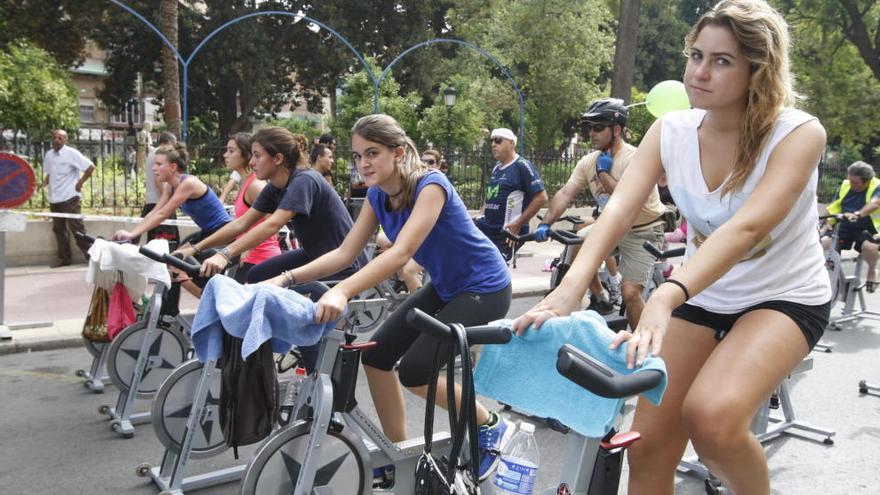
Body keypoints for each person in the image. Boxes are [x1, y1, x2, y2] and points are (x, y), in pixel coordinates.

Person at [514, 2, 831, 494]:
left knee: (713, 422)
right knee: (647, 445)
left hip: (783, 295)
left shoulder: (798, 133)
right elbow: (618, 211)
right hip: (705, 293)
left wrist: (664, 297)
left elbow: (746, 229)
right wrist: (567, 292)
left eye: (722, 61)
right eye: (696, 55)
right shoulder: (672, 130)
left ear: (757, 71)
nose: (700, 72)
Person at [262, 114, 514, 480]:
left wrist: (343, 290)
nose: (362, 163)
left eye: (372, 153)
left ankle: (490, 425)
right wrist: (284, 278)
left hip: (484, 287)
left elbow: (401, 252)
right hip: (444, 286)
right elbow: (346, 252)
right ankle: (402, 455)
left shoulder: (431, 185)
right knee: (376, 358)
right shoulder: (377, 196)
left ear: (398, 153)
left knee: (415, 371)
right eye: (357, 156)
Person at [175, 126, 360, 372]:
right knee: (256, 275)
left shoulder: (304, 180)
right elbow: (241, 223)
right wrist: (194, 248)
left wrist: (224, 254)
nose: (251, 162)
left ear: (278, 158)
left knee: (296, 292)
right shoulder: (275, 187)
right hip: (315, 254)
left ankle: (316, 370)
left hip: (340, 263)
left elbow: (272, 224)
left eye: (257, 155)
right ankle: (272, 347)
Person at [536, 99, 666, 327]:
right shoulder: (589, 161)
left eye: (598, 127)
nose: (591, 134)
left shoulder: (635, 158)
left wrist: (604, 175)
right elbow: (566, 193)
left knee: (631, 293)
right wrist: (546, 223)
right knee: (578, 242)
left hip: (643, 229)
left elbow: (628, 200)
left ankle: (641, 348)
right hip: (612, 224)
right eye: (589, 128)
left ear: (616, 130)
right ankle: (601, 297)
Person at [474, 128, 548, 260]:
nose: (493, 144)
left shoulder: (522, 166)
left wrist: (517, 225)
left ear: (512, 143)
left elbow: (541, 197)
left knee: (492, 269)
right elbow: (491, 192)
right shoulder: (497, 166)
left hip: (507, 232)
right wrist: (481, 213)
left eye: (498, 140)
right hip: (488, 227)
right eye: (492, 141)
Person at [223, 132, 281, 283]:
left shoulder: (255, 185)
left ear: (246, 155)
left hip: (261, 259)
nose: (225, 155)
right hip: (249, 258)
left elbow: (273, 221)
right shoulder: (245, 183)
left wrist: (247, 247)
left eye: (231, 151)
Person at [821, 161, 880, 292]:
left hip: (867, 229)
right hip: (844, 227)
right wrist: (826, 224)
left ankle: (871, 271)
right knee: (823, 243)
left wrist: (858, 214)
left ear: (866, 181)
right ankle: (824, 276)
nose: (851, 185)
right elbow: (834, 206)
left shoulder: (877, 186)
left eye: (855, 183)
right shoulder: (845, 185)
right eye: (850, 180)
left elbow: (875, 203)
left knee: (870, 248)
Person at [40, 129, 95, 268]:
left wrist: (81, 182)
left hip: (70, 197)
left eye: (60, 138)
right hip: (55, 198)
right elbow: (50, 173)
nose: (56, 140)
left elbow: (90, 167)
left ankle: (91, 257)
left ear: (65, 140)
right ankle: (64, 259)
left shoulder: (71, 153)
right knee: (59, 230)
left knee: (77, 229)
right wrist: (44, 183)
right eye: (54, 137)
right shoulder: (49, 155)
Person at [136, 131, 180, 246]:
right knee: (166, 240)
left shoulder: (152, 153)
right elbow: (158, 179)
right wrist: (168, 199)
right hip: (159, 201)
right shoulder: (160, 155)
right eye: (173, 145)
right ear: (168, 142)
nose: (174, 149)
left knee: (154, 238)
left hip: (152, 200)